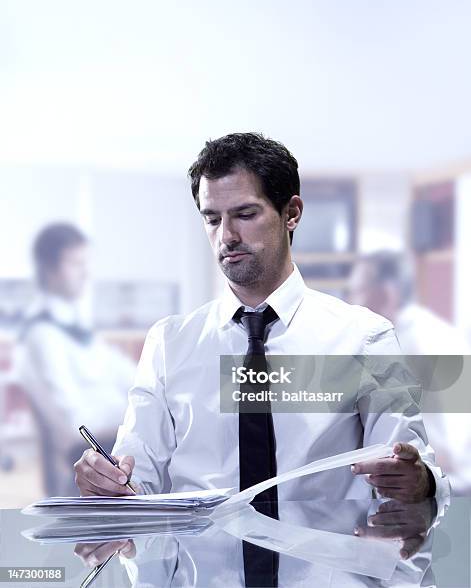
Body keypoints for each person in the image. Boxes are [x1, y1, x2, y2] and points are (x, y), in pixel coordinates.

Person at [74, 134, 447, 505]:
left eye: (245, 214)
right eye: (212, 219)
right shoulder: (169, 343)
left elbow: (413, 464)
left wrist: (418, 481)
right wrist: (110, 482)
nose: (227, 236)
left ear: (291, 213)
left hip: (326, 557)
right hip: (199, 561)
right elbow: (137, 477)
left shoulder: (365, 337)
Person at [19, 223, 136, 495]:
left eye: (86, 263)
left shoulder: (79, 329)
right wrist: (136, 414)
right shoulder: (41, 336)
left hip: (119, 455)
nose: (86, 273)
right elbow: (73, 424)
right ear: (49, 269)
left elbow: (134, 378)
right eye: (76, 263)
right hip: (94, 473)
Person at [347, 250, 471, 494]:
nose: (350, 300)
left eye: (357, 290)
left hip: (441, 491)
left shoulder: (417, 344)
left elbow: (449, 451)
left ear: (388, 295)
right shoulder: (426, 332)